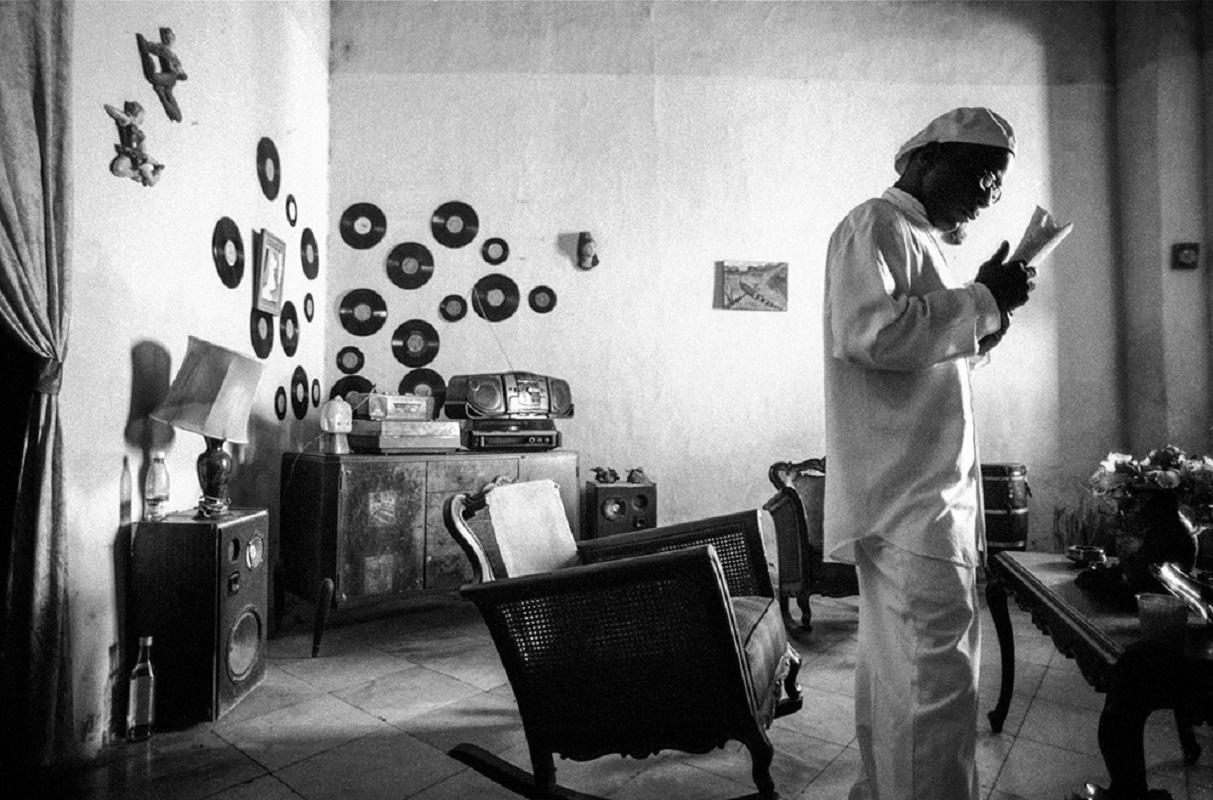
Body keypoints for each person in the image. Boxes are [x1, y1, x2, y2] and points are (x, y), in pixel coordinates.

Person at [822, 107, 1036, 800]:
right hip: (910, 500)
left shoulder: (920, 240)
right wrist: (981, 300)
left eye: (996, 182)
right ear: (919, 160)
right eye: (976, 173)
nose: (985, 192)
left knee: (901, 679)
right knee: (935, 689)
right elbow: (871, 338)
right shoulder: (875, 225)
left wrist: (989, 320)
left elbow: (927, 370)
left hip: (919, 496)